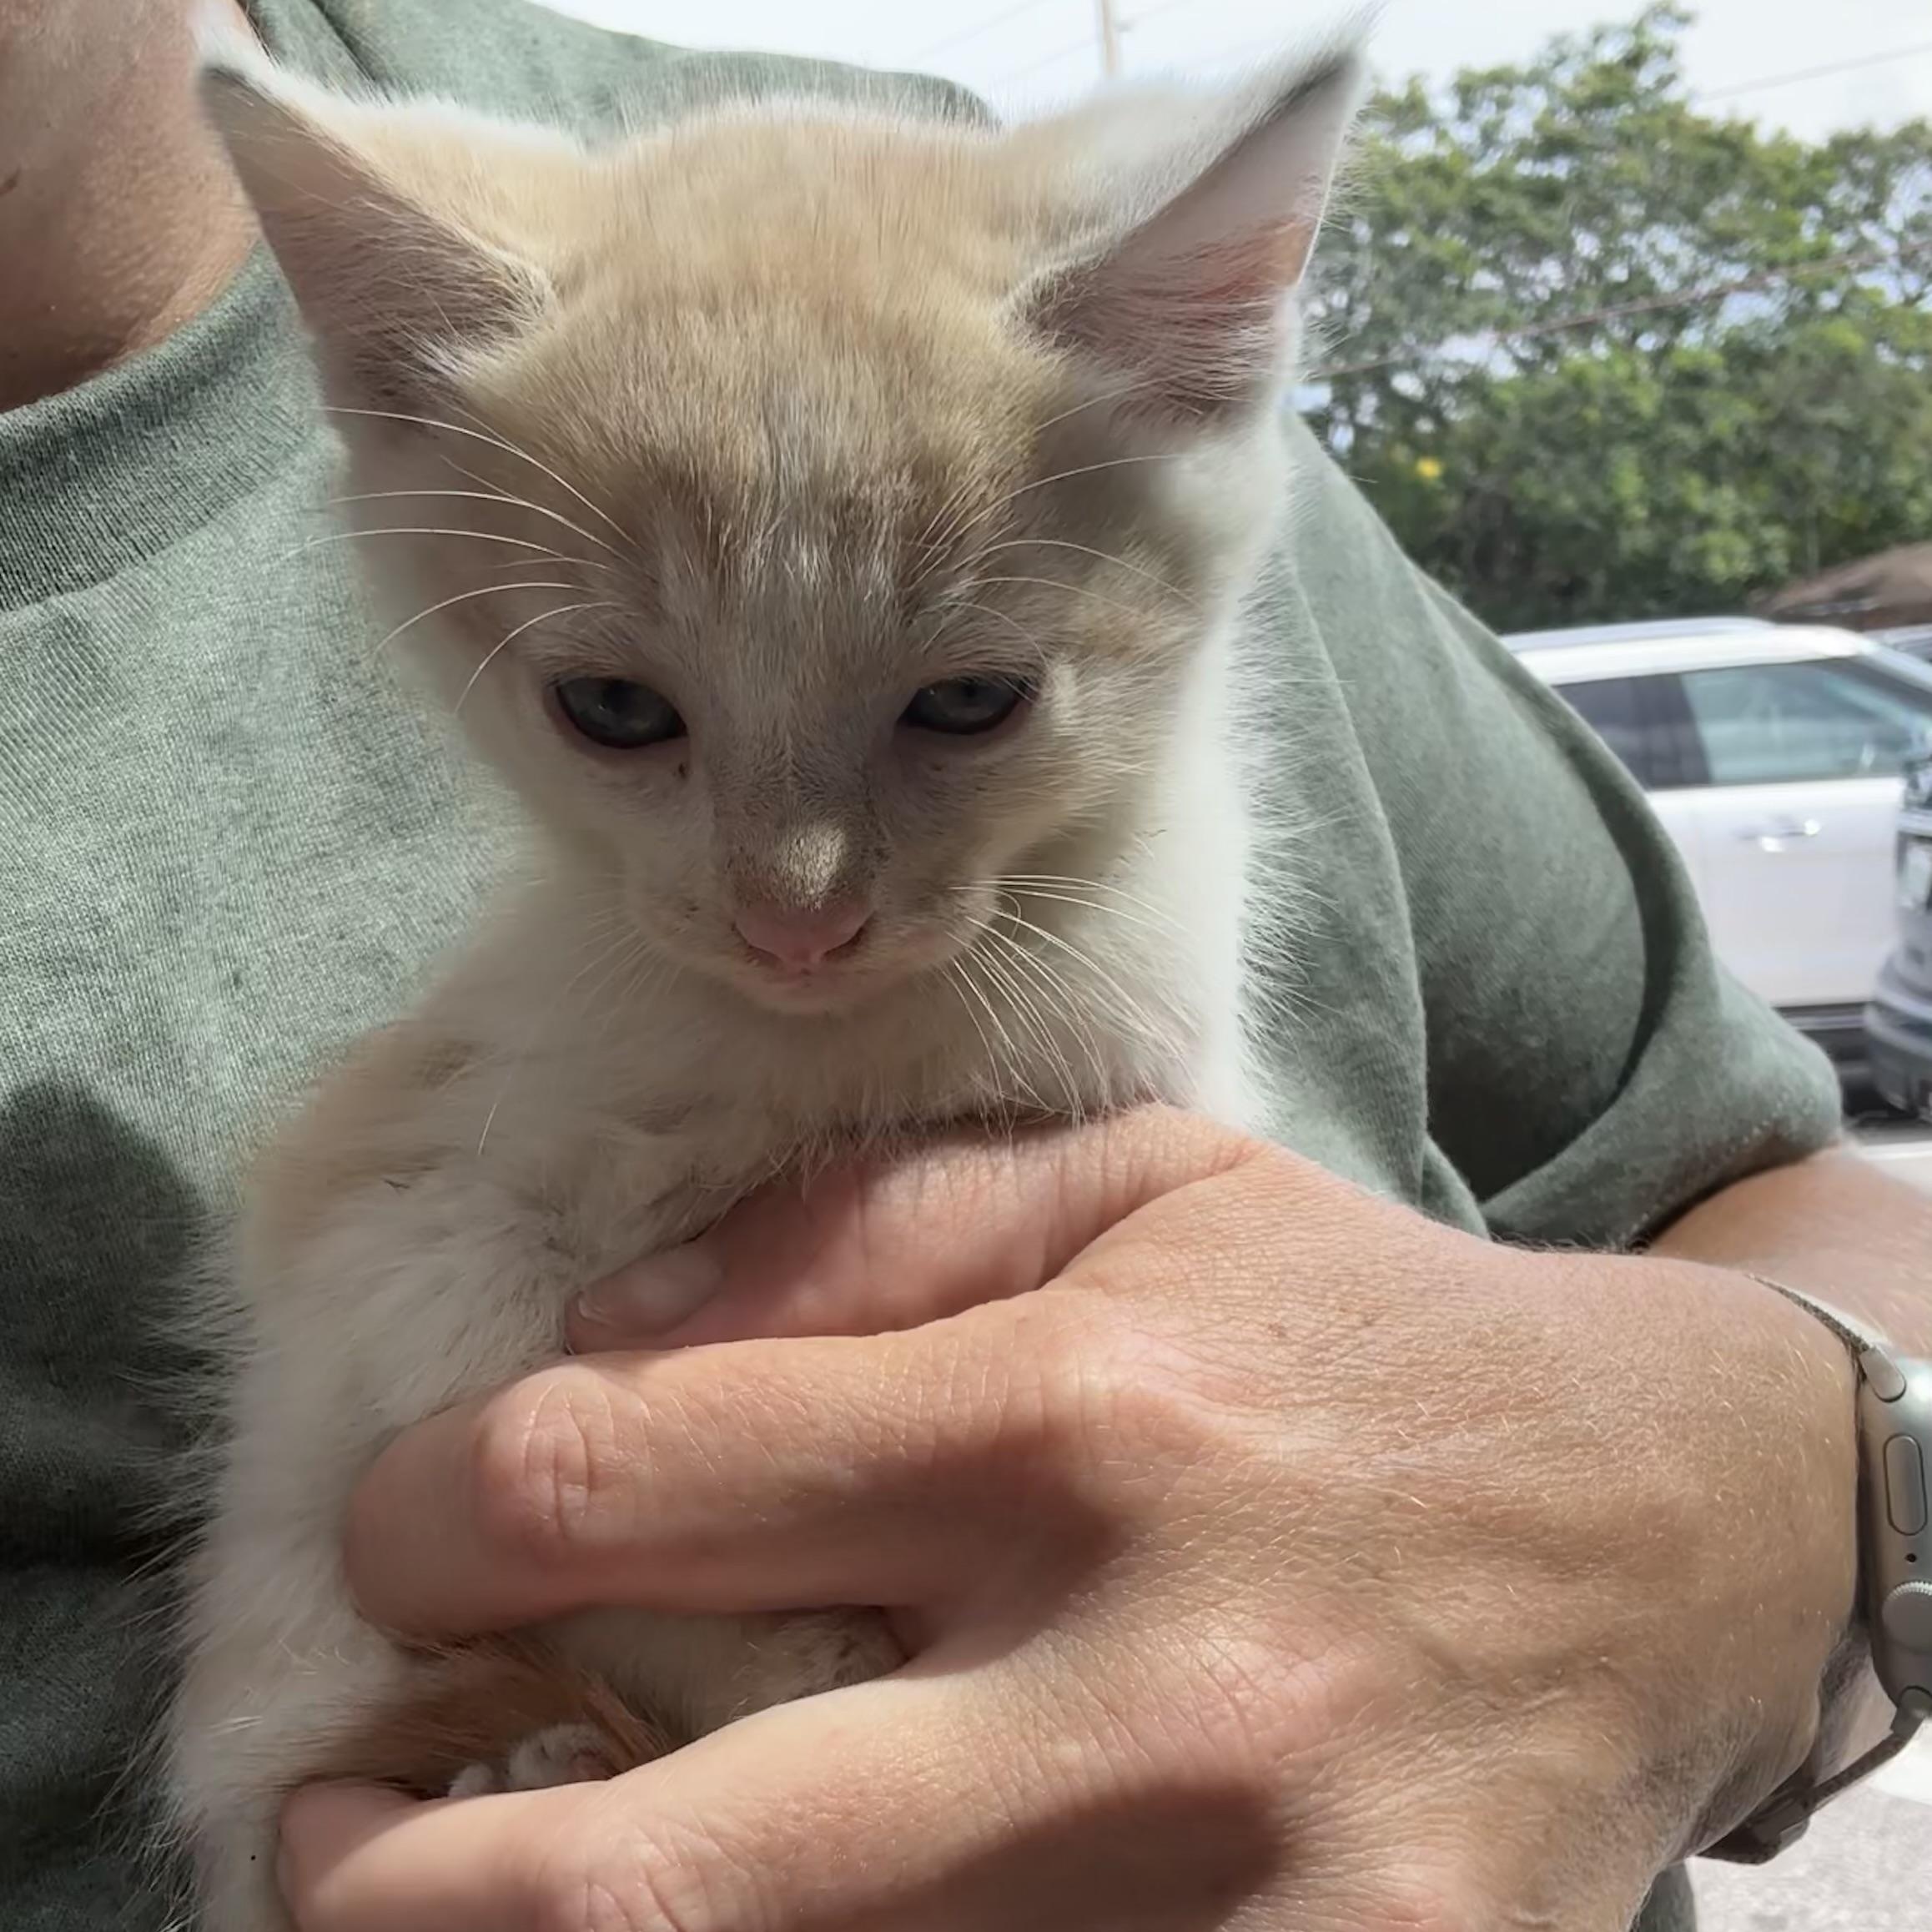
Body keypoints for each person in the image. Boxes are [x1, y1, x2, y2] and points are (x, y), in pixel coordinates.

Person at [2, 2, 1924, 1928]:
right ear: (386, 381)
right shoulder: (494, 430)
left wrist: (1781, 1503)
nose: (798, 905)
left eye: (968, 699)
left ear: (1205, 369)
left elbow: (1767, 1181)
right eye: (617, 706)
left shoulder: (1079, 338)